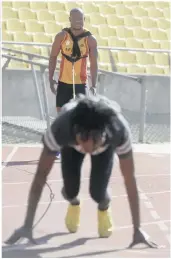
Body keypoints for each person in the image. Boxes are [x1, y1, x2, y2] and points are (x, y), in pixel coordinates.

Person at [5, 95, 158, 248]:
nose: (88, 150)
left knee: (97, 193)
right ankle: (74, 201)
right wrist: (27, 224)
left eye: (93, 145)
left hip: (103, 149)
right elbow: (40, 176)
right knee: (70, 190)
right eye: (83, 142)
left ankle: (104, 204)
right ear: (76, 132)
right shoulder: (61, 129)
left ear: (103, 134)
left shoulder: (118, 131)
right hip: (71, 147)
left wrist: (137, 228)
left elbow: (130, 179)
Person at [49, 8, 98, 159]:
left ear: (85, 19)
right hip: (64, 82)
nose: (78, 21)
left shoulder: (90, 40)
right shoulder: (61, 36)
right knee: (61, 116)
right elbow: (53, 56)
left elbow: (94, 63)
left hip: (80, 83)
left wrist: (93, 84)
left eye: (81, 18)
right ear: (69, 19)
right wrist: (50, 78)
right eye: (75, 18)